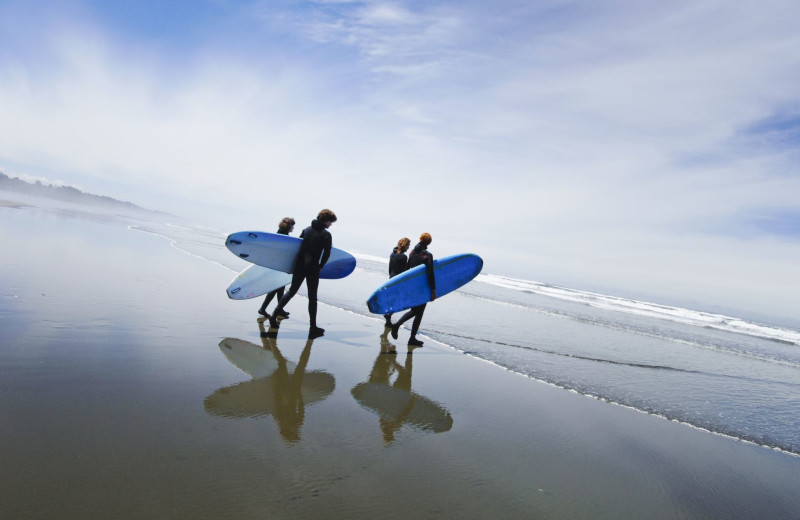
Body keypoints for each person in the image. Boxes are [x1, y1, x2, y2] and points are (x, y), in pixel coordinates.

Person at [269, 209, 337, 339]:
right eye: (330, 222)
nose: (331, 225)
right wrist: (321, 266)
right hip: (312, 268)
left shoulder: (306, 230)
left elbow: (297, 246)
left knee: (291, 291)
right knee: (312, 297)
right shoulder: (326, 235)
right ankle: (313, 327)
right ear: (326, 220)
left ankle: (273, 315)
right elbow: (327, 253)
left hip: (300, 265)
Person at [390, 233, 436, 347]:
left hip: (412, 286)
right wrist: (433, 290)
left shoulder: (412, 253)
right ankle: (398, 325)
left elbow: (407, 270)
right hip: (422, 288)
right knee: (417, 311)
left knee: (418, 312)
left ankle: (412, 338)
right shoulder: (427, 255)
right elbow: (430, 273)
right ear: (429, 242)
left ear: (420, 239)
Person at [258, 217, 296, 319]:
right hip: (278, 265)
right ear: (289, 226)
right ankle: (263, 308)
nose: (293, 228)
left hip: (276, 264)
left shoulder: (280, 234)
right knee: (276, 287)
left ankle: (279, 309)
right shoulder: (283, 236)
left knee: (280, 288)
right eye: (293, 226)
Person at [383, 237, 410, 327]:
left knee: (392, 299)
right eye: (408, 245)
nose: (408, 248)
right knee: (397, 300)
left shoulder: (392, 254)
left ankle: (388, 320)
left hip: (391, 278)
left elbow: (390, 268)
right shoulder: (404, 257)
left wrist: (390, 277)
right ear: (405, 246)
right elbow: (404, 271)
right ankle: (388, 315)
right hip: (398, 281)